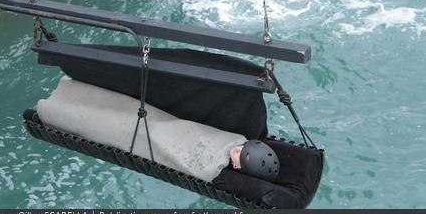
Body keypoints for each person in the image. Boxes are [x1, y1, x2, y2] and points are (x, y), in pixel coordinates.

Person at [36, 76, 279, 183]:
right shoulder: (235, 139)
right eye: (242, 146)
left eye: (240, 152)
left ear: (238, 166)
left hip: (154, 138)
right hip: (166, 125)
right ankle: (69, 95)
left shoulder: (214, 166)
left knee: (110, 124)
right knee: (127, 111)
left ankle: (52, 108)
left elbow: (184, 155)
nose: (237, 147)